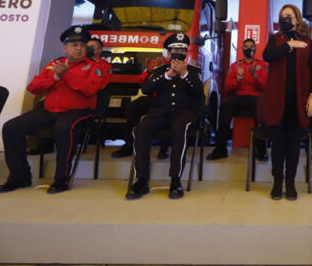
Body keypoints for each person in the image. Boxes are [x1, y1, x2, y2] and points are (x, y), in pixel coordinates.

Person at [0, 26, 102, 194]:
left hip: (80, 111)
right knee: (11, 127)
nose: (79, 48)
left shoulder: (94, 67)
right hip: (49, 110)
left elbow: (90, 89)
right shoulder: (54, 65)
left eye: (82, 44)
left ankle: (61, 179)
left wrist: (67, 74)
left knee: (63, 128)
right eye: (74, 45)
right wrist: (54, 77)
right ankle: (19, 177)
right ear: (65, 48)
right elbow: (33, 88)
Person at [127, 33, 204, 200]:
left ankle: (175, 180)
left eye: (182, 50)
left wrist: (184, 74)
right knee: (141, 129)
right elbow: (146, 89)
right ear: (168, 53)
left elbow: (199, 93)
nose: (179, 53)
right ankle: (141, 180)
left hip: (185, 113)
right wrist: (168, 75)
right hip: (160, 112)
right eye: (175, 49)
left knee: (179, 128)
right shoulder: (160, 71)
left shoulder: (194, 71)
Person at [263, 4, 312, 200]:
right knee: (278, 144)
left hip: (299, 101)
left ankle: (290, 182)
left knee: (294, 145)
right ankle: (277, 182)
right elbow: (267, 56)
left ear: (297, 19)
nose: (285, 18)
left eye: (289, 15)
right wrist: (288, 46)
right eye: (282, 16)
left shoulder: (308, 43)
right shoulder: (275, 39)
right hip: (277, 100)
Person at [207, 38, 268, 161]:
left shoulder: (262, 65)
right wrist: (238, 78)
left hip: (255, 98)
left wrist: (255, 76)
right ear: (242, 49)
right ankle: (221, 150)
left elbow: (265, 87)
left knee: (262, 110)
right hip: (237, 97)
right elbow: (228, 87)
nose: (249, 49)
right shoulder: (235, 66)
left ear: (255, 49)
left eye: (251, 46)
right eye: (246, 47)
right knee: (224, 106)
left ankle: (261, 151)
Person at [111, 53, 169, 160]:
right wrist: (150, 71)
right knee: (133, 107)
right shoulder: (158, 63)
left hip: (172, 101)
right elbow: (142, 82)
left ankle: (164, 148)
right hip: (154, 99)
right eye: (170, 50)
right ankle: (129, 144)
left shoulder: (183, 65)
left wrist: (161, 70)